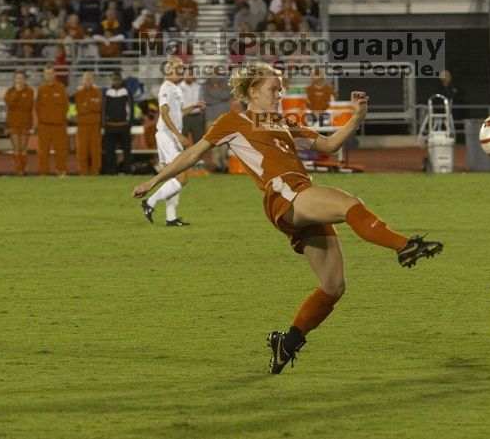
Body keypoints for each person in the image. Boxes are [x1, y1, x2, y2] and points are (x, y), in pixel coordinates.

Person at [132, 62, 444, 374]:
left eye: (280, 88)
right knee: (350, 204)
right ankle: (404, 246)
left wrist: (357, 118)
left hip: (301, 196)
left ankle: (288, 341)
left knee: (333, 286)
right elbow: (192, 154)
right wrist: (153, 181)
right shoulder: (233, 121)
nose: (279, 94)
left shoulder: (284, 122)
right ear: (253, 92)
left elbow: (329, 145)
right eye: (273, 89)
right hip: (284, 193)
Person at [140, 57, 193, 227]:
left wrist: (195, 107)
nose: (181, 71)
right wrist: (178, 135)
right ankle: (149, 202)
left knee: (174, 176)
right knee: (182, 177)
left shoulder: (175, 88)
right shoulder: (165, 88)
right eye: (178, 68)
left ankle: (171, 217)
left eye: (182, 68)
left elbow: (177, 113)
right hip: (167, 136)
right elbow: (164, 114)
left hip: (171, 135)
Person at [35, 65, 70, 176]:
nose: (49, 75)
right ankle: (43, 172)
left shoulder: (61, 88)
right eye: (47, 73)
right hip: (44, 125)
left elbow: (66, 106)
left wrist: (61, 119)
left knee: (61, 150)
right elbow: (37, 107)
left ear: (54, 74)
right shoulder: (41, 89)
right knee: (43, 151)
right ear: (44, 75)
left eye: (51, 73)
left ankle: (61, 171)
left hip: (59, 125)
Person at [102, 70, 134, 174]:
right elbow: (103, 109)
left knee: (127, 151)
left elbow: (131, 108)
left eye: (118, 79)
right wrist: (104, 123)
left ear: (121, 80)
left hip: (124, 126)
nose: (116, 81)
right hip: (110, 126)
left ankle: (127, 171)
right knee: (110, 151)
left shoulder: (126, 92)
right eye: (114, 79)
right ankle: (111, 171)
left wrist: (129, 123)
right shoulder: (107, 92)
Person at [4, 71, 34, 176]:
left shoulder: (30, 91)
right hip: (13, 123)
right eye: (17, 78)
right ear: (14, 80)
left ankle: (23, 169)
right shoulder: (10, 91)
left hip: (25, 122)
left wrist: (18, 101)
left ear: (25, 80)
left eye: (21, 78)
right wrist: (17, 92)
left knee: (23, 147)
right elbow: (10, 103)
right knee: (16, 147)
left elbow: (28, 105)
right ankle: (18, 170)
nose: (19, 80)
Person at [74, 71, 103, 176]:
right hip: (82, 125)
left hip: (95, 125)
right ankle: (83, 172)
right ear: (82, 81)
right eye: (86, 79)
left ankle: (95, 171)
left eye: (90, 79)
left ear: (93, 80)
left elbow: (97, 107)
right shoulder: (78, 93)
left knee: (95, 149)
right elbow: (80, 108)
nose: (88, 81)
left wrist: (86, 104)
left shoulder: (97, 92)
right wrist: (91, 104)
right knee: (82, 150)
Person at [179, 67, 207, 145]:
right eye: (186, 74)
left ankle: (198, 157)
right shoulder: (178, 88)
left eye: (190, 74)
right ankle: (182, 157)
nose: (188, 76)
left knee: (199, 142)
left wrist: (203, 106)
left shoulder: (199, 87)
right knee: (181, 141)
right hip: (183, 117)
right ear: (183, 75)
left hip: (197, 117)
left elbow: (202, 100)